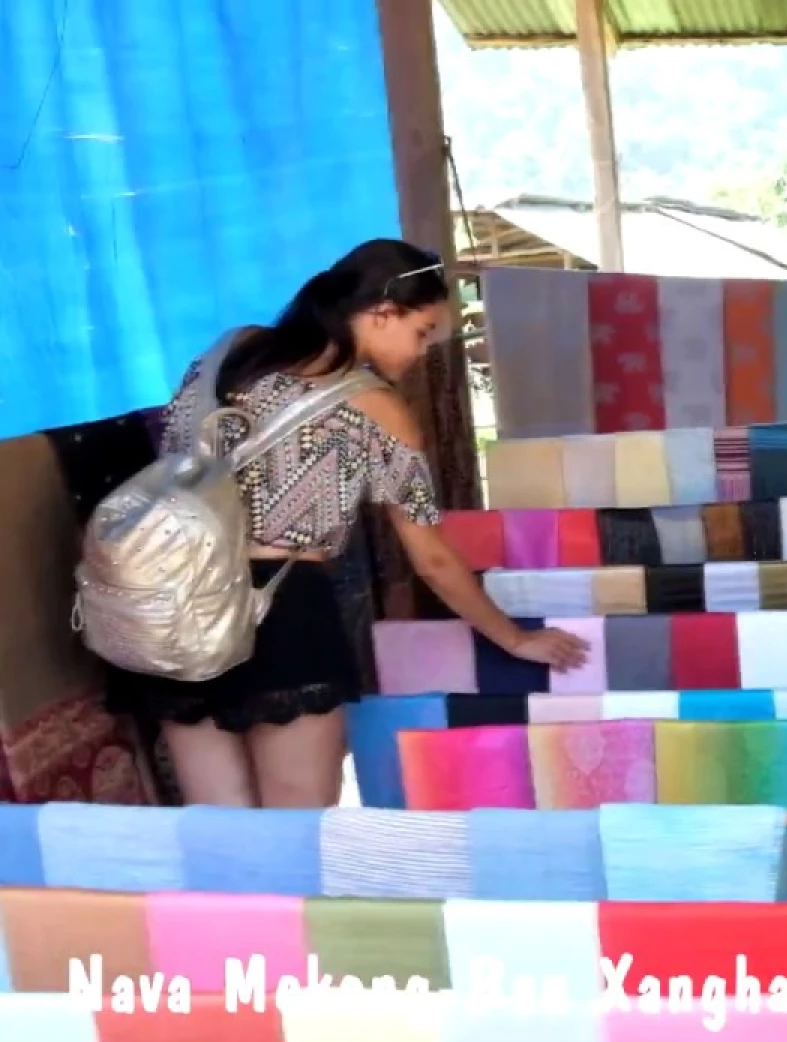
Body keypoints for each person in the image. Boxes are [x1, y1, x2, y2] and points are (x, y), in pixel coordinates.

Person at [106, 239, 589, 809]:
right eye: (422, 332)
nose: (424, 351)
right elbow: (431, 557)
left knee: (220, 834)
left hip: (172, 599)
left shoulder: (230, 352)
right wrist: (514, 637)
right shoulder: (379, 410)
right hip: (282, 613)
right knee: (298, 834)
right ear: (381, 313)